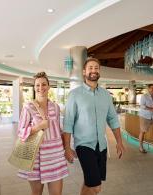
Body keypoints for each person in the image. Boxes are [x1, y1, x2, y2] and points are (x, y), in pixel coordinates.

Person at [63, 58, 125, 195]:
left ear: (99, 71)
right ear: (84, 72)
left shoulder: (106, 95)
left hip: (101, 145)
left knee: (90, 183)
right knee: (95, 186)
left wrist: (119, 142)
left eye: (96, 68)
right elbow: (68, 123)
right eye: (90, 68)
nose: (93, 70)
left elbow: (113, 119)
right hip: (84, 145)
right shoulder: (75, 95)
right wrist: (67, 147)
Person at [17, 72, 68, 195]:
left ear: (49, 86)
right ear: (34, 87)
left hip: (55, 156)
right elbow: (21, 131)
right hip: (36, 157)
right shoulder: (28, 107)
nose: (41, 88)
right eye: (37, 85)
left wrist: (67, 148)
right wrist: (39, 126)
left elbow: (58, 130)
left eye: (44, 84)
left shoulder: (55, 107)